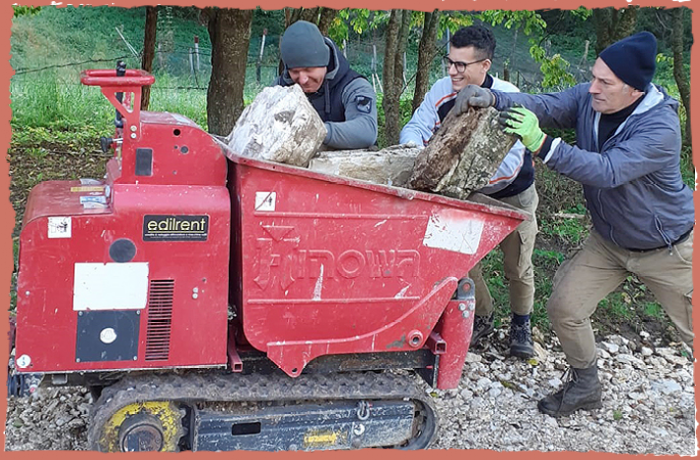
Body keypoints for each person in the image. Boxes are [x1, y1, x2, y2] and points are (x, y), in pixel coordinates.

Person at [453, 31, 694, 417]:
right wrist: (495, 98)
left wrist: (542, 144)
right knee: (565, 307)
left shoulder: (660, 129)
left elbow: (607, 170)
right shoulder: (590, 98)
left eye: (605, 82)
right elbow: (545, 104)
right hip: (610, 242)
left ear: (635, 90)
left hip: (668, 248)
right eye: (594, 77)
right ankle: (585, 386)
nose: (592, 87)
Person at [400, 25, 538, 359]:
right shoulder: (441, 90)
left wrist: (455, 174)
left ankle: (521, 325)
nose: (452, 71)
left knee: (518, 265)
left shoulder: (510, 96)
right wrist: (415, 151)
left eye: (461, 64)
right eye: (449, 61)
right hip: (461, 193)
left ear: (485, 65)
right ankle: (482, 315)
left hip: (512, 194)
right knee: (458, 259)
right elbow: (416, 127)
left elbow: (509, 165)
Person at [274, 20, 378, 150]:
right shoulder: (279, 88)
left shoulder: (354, 86)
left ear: (325, 62)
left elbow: (367, 131)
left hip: (348, 161)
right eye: (295, 72)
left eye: (308, 70)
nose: (303, 80)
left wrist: (316, 131)